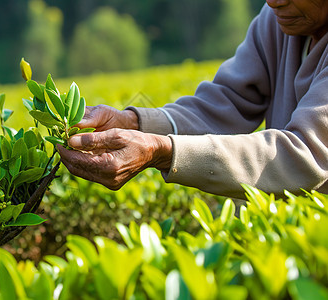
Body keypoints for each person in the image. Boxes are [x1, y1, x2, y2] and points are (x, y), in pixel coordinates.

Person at [57, 0, 328, 199]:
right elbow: (227, 103)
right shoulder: (277, 21)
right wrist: (134, 123)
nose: (273, 1)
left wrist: (161, 151)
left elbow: (302, 154)